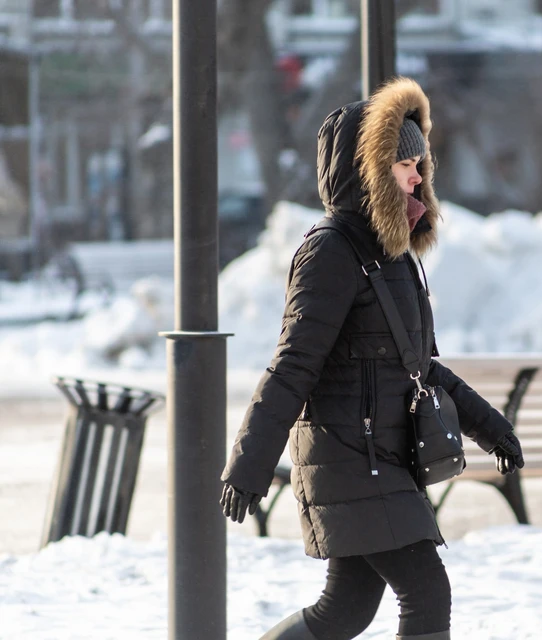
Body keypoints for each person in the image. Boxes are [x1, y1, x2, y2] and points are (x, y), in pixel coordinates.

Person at [220, 77, 525, 640]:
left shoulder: (395, 254)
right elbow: (293, 366)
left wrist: (493, 428)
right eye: (404, 162)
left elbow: (422, 367)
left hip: (383, 456)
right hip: (348, 457)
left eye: (421, 162)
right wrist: (250, 463)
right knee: (427, 592)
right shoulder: (330, 251)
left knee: (347, 608)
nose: (418, 174)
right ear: (369, 168)